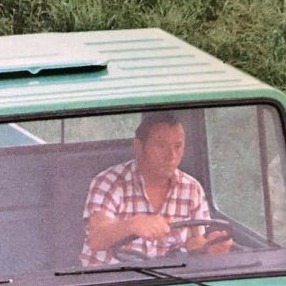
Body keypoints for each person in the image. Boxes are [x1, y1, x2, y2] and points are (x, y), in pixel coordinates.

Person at [81, 112, 233, 266]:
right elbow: (97, 237)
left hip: (165, 282)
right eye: (161, 146)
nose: (171, 156)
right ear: (139, 147)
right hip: (110, 282)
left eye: (178, 146)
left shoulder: (192, 188)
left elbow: (194, 241)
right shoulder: (109, 182)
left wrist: (209, 247)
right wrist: (132, 225)